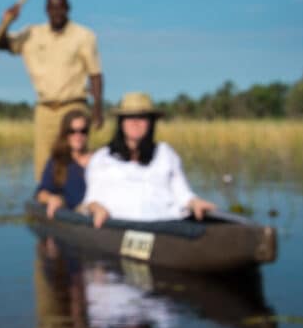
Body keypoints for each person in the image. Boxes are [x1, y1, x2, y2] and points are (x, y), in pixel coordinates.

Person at [0, 0, 105, 181]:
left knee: (74, 158)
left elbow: (95, 74)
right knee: (44, 163)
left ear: (68, 8)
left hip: (73, 106)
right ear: (46, 10)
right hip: (44, 109)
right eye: (52, 7)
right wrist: (6, 22)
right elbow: (0, 44)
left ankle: (77, 199)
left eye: (60, 7)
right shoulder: (31, 34)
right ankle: (46, 200)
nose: (56, 12)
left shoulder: (84, 36)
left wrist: (97, 109)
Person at [83, 92, 216, 228]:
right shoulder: (102, 157)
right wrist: (97, 208)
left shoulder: (165, 153)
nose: (135, 122)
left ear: (151, 122)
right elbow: (92, 199)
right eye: (129, 117)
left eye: (141, 117)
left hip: (164, 228)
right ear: (121, 122)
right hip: (118, 228)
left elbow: (183, 194)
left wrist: (195, 203)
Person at [35, 109, 92, 219]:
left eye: (83, 131)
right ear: (65, 134)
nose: (78, 136)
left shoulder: (99, 160)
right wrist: (51, 199)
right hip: (77, 217)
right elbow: (41, 193)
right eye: (72, 131)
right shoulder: (57, 162)